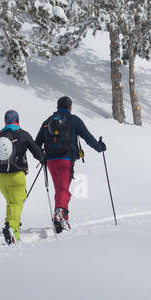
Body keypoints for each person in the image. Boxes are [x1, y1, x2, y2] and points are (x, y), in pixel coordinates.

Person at [36, 95, 105, 232]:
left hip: (50, 161)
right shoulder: (74, 120)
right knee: (63, 190)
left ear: (57, 107)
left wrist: (42, 157)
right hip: (66, 159)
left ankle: (62, 217)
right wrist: (99, 147)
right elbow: (88, 137)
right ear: (70, 107)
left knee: (59, 190)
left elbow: (36, 142)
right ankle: (60, 213)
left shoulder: (47, 121)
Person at [0, 109, 46, 245]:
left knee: (11, 202)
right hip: (17, 175)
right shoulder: (23, 134)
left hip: (1, 177)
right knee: (17, 202)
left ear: (5, 121)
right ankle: (12, 229)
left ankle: (12, 230)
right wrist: (43, 159)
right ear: (17, 120)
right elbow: (36, 151)